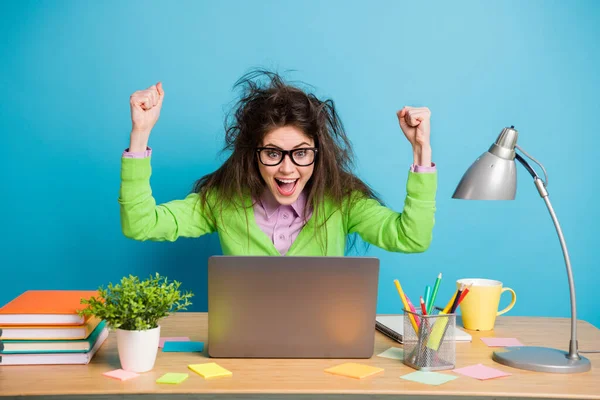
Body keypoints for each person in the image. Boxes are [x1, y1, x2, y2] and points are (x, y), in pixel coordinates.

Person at [119, 70, 436, 256]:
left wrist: (421, 150)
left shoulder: (344, 203)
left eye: (301, 153)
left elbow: (412, 238)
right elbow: (141, 224)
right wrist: (140, 132)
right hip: (244, 347)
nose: (287, 169)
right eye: (273, 153)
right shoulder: (221, 203)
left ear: (318, 153)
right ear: (252, 154)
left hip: (322, 349)